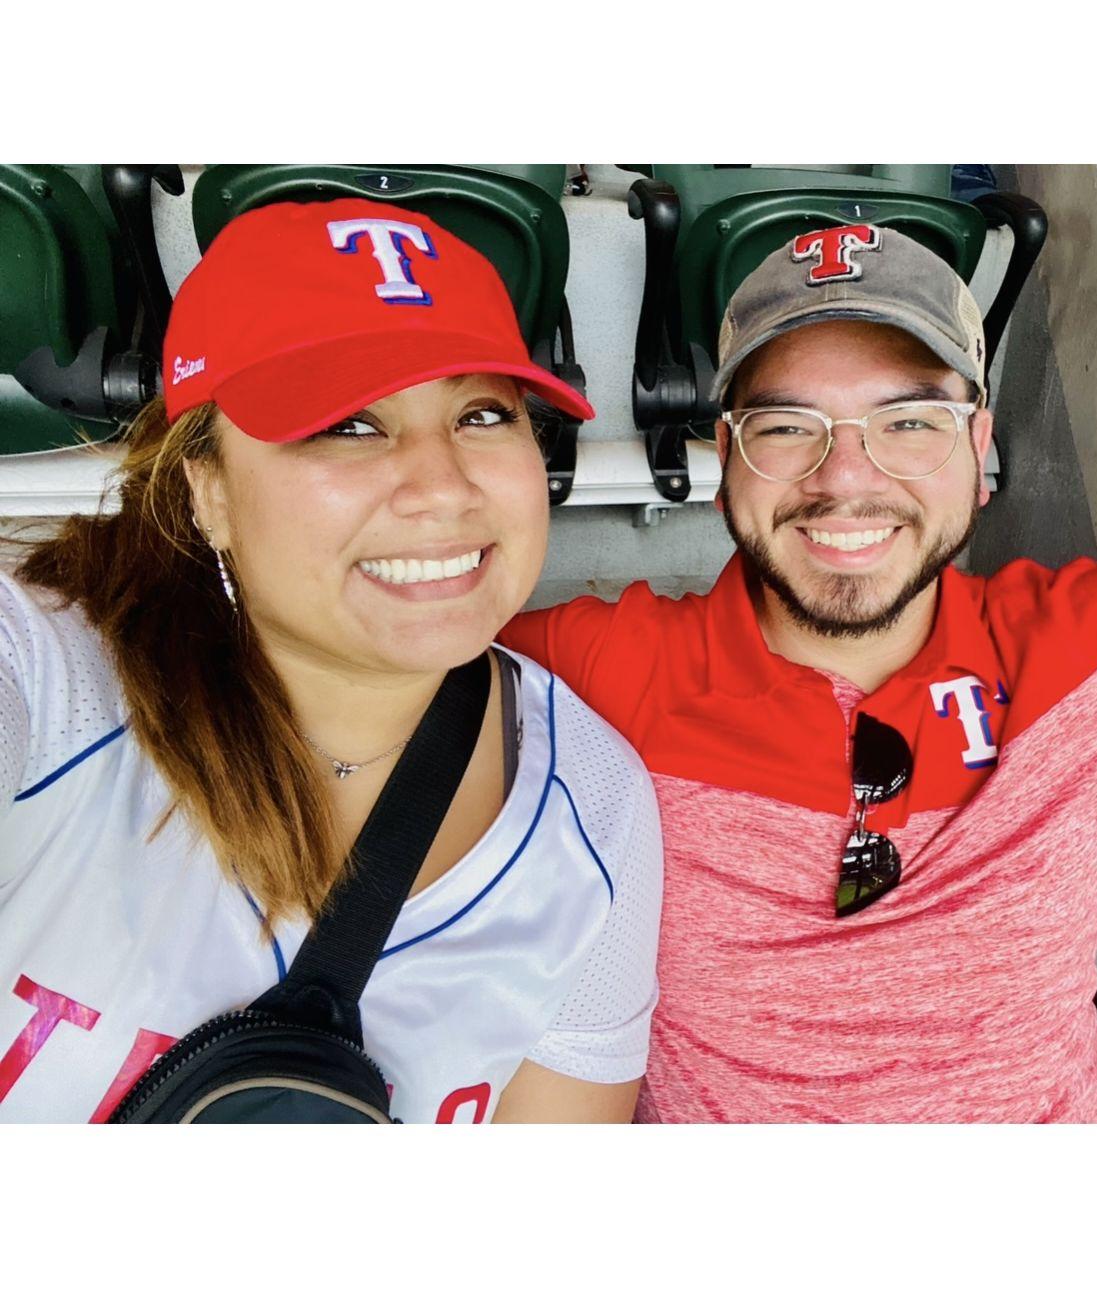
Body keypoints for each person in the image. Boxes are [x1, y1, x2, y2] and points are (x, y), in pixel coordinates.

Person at [501, 223, 1097, 1122]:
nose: (845, 478)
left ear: (978, 451)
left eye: (910, 421)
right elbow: (345, 677)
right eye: (788, 425)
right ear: (726, 463)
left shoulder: (1090, 646)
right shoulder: (595, 669)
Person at [0, 198, 662, 1124]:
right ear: (208, 493)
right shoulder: (48, 681)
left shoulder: (594, 802)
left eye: (480, 413)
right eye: (349, 423)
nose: (443, 487)